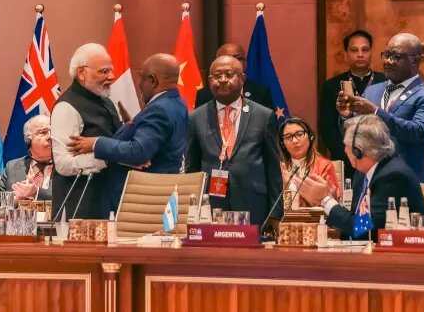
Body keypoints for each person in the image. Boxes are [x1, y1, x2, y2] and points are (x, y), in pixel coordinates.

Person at [69, 54, 190, 210]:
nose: (139, 84)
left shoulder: (159, 109)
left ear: (152, 80)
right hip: (159, 193)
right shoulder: (177, 103)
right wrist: (130, 127)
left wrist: (96, 143)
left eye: (141, 78)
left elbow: (139, 151)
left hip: (143, 199)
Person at [184, 55, 284, 230]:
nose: (222, 80)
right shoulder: (196, 117)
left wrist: (275, 213)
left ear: (242, 78)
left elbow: (273, 168)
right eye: (217, 76)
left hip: (253, 205)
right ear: (209, 80)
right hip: (211, 205)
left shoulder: (263, 115)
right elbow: (192, 168)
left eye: (229, 74)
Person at [338, 32, 424, 182]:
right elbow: (357, 134)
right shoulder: (372, 90)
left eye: (396, 56)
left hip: (405, 180)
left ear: (415, 61)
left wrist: (375, 111)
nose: (388, 61)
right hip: (367, 179)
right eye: (386, 55)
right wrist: (347, 115)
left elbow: (418, 132)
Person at [298, 115, 424, 240]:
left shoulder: (393, 177)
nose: (344, 150)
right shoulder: (363, 173)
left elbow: (363, 229)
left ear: (357, 151)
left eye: (346, 145)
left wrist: (325, 199)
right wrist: (334, 200)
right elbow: (354, 219)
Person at [50, 43, 121, 219]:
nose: (111, 76)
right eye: (104, 71)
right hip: (79, 212)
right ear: (82, 73)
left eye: (111, 70)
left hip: (108, 203)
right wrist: (105, 157)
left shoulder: (106, 102)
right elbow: (63, 164)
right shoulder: (66, 107)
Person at [318, 30, 385, 166]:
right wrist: (347, 153)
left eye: (365, 50)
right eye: (354, 50)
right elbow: (327, 128)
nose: (360, 55)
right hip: (345, 157)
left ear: (371, 52)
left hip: (380, 156)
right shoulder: (331, 86)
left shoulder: (385, 82)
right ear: (346, 54)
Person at [278, 116, 341, 207]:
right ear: (282, 143)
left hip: (316, 219)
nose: (295, 141)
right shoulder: (278, 167)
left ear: (310, 137)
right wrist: (285, 189)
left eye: (299, 134)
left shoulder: (325, 166)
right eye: (288, 137)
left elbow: (334, 203)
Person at [194, 43, 275, 109]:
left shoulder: (261, 93)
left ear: (245, 64)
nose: (232, 61)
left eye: (238, 58)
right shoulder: (204, 95)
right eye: (226, 57)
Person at [0, 115, 53, 201]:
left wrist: (36, 192)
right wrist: (15, 200)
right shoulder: (12, 167)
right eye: (43, 132)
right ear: (28, 140)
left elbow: (71, 201)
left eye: (53, 132)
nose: (50, 137)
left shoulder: (67, 168)